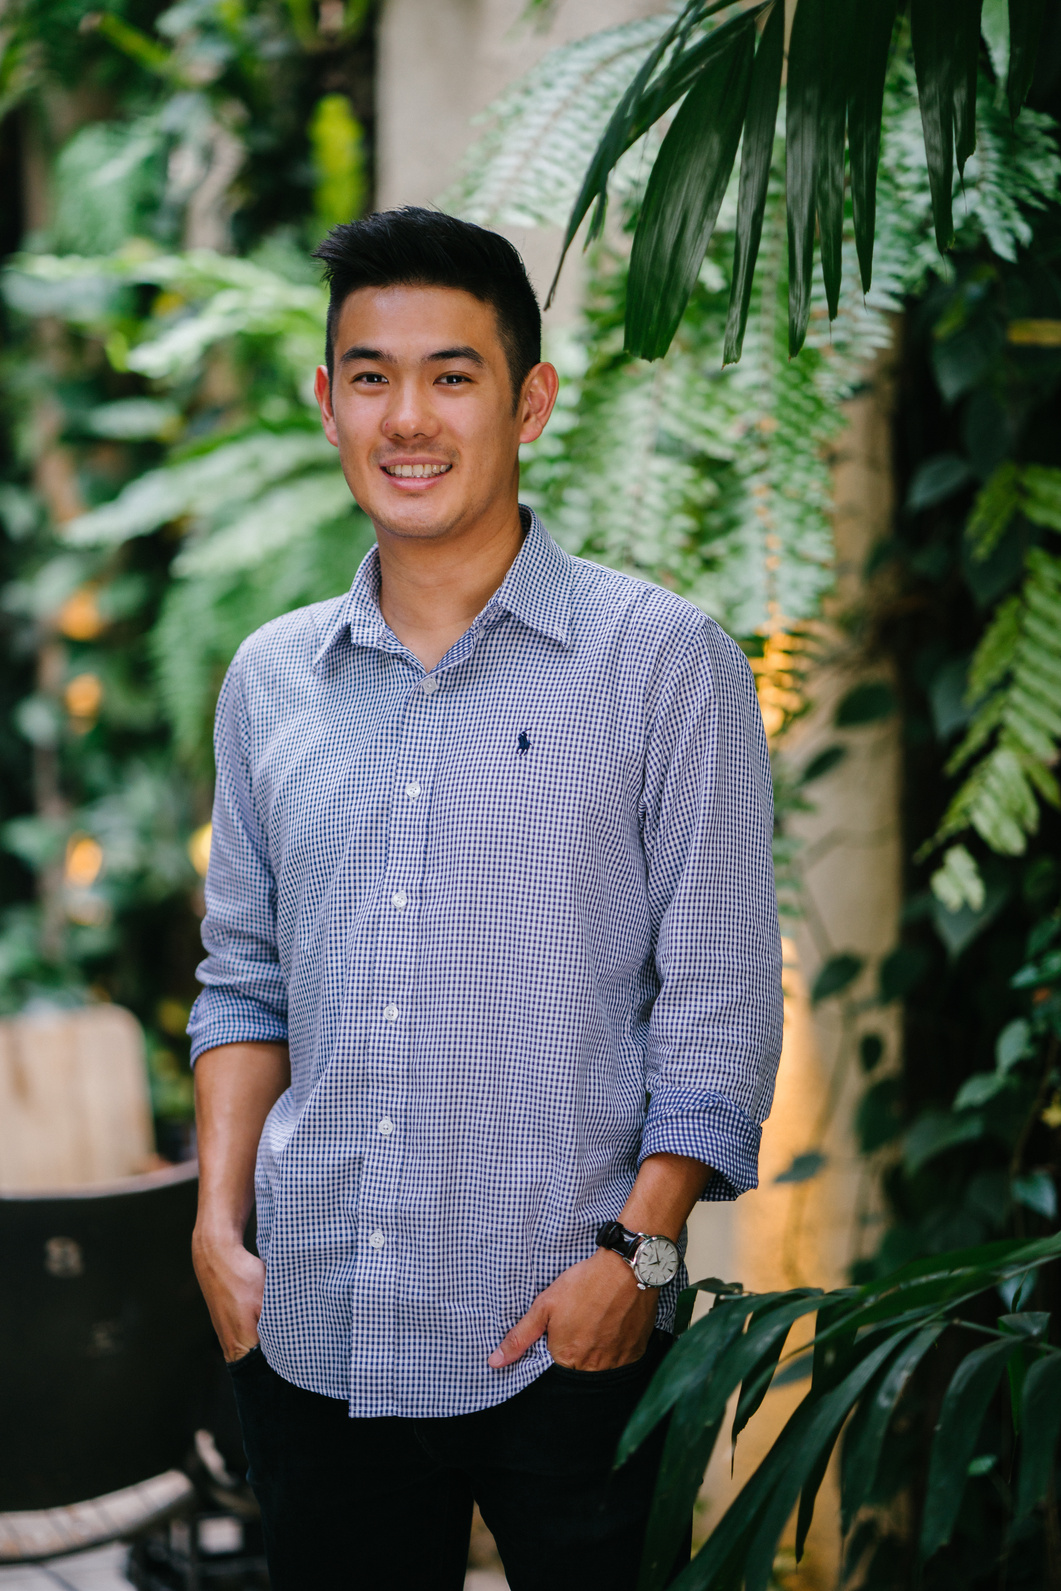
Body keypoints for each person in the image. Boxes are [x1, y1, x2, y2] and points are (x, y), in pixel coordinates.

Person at [189, 206, 783, 1591]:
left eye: (451, 376)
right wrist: (219, 1238)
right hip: (316, 1322)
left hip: (574, 1333)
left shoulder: (663, 664)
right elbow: (243, 981)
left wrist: (633, 1264)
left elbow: (719, 1000)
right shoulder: (267, 680)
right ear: (326, 402)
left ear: (528, 402)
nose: (409, 418)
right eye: (371, 376)